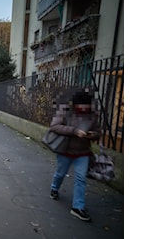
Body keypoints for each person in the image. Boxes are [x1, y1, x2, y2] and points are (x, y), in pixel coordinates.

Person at [49, 89, 100, 222]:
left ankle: (78, 207)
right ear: (75, 104)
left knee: (80, 178)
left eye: (86, 105)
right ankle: (54, 188)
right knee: (60, 173)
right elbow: (54, 126)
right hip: (65, 150)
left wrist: (92, 135)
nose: (84, 108)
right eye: (81, 105)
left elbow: (98, 132)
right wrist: (74, 131)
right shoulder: (65, 112)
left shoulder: (92, 115)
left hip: (83, 152)